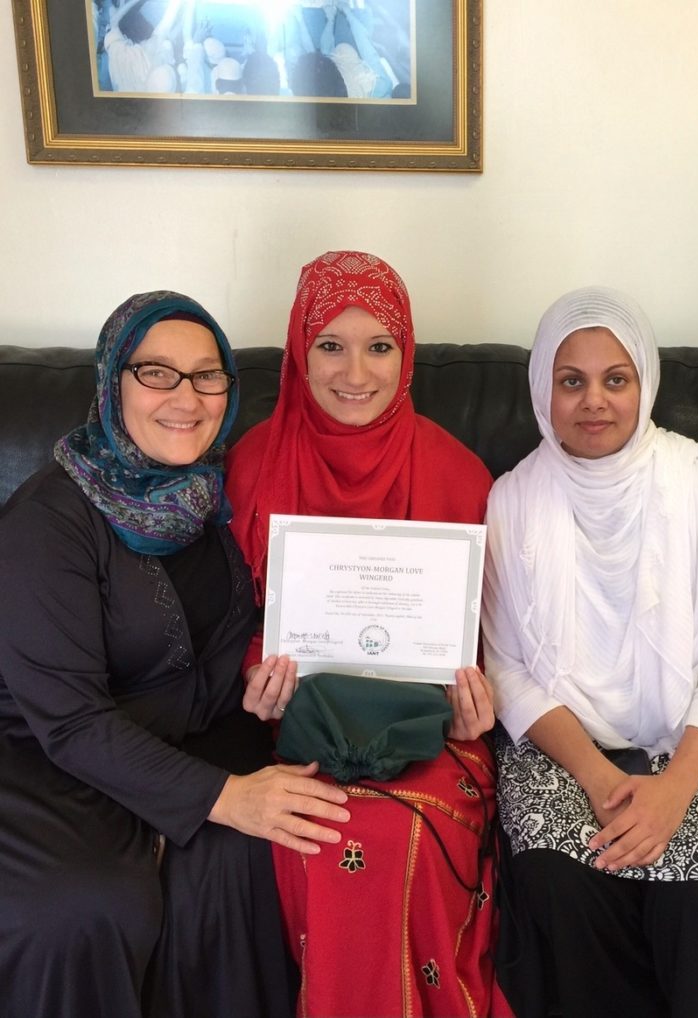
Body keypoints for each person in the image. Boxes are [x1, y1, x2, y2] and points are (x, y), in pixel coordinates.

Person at [0, 291, 351, 1018]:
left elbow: (215, 651)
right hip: (45, 754)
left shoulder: (216, 495)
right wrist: (228, 797)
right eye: (157, 372)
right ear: (111, 382)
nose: (186, 398)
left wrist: (254, 684)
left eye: (207, 375)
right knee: (90, 907)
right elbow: (68, 722)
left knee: (275, 852)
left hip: (187, 737)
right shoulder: (47, 521)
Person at [226, 250, 504, 1018]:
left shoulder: (462, 475)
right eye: (331, 346)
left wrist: (482, 700)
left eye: (379, 346)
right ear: (298, 351)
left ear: (407, 354)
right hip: (297, 723)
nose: (357, 372)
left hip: (431, 729)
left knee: (391, 832)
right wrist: (255, 675)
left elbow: (489, 641)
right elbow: (225, 621)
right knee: (322, 829)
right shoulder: (248, 468)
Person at [481, 286, 698, 1018]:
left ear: (646, 382)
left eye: (617, 378)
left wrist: (674, 791)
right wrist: (600, 779)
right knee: (553, 891)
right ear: (543, 388)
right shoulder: (512, 499)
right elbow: (505, 666)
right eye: (571, 380)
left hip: (689, 748)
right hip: (561, 748)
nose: (594, 401)